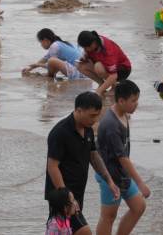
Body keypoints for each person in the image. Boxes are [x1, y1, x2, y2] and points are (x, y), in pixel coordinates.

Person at [46, 92, 120, 235]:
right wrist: (67, 197)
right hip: (61, 196)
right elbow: (52, 166)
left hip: (78, 192)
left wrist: (109, 181)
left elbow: (94, 156)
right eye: (92, 115)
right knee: (84, 232)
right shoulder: (60, 132)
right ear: (79, 110)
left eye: (97, 115)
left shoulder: (87, 130)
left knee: (63, 232)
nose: (95, 119)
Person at [94, 80, 149, 235]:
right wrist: (140, 182)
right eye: (133, 101)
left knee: (138, 206)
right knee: (108, 216)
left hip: (121, 174)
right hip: (109, 176)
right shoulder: (111, 125)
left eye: (137, 100)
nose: (136, 104)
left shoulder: (123, 113)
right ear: (121, 101)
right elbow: (122, 157)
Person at [76, 31, 133, 96]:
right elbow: (88, 55)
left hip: (122, 70)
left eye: (86, 47)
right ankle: (101, 84)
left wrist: (98, 92)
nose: (85, 49)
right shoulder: (92, 44)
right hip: (106, 68)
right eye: (83, 47)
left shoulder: (107, 49)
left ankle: (114, 87)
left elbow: (114, 75)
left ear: (93, 43)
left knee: (98, 66)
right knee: (80, 65)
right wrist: (84, 57)